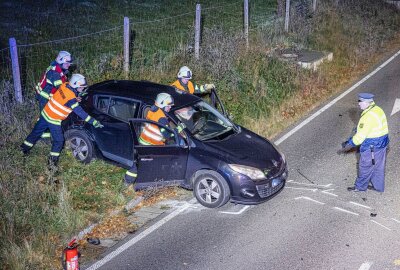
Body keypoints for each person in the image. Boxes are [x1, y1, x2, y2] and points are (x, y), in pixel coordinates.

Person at [21, 74, 103, 167]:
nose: (82, 89)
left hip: (46, 113)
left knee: (36, 132)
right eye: (81, 87)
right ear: (75, 85)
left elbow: (65, 97)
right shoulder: (71, 99)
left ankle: (23, 149)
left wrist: (76, 97)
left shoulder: (65, 85)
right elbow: (80, 112)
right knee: (59, 141)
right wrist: (93, 121)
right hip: (53, 119)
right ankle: (52, 165)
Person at [338, 93, 389, 192]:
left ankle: (360, 187)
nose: (359, 104)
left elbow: (359, 138)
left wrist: (348, 144)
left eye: (360, 102)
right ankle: (378, 187)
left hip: (372, 146)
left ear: (366, 102)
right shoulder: (378, 109)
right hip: (382, 143)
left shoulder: (367, 117)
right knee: (378, 166)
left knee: (365, 166)